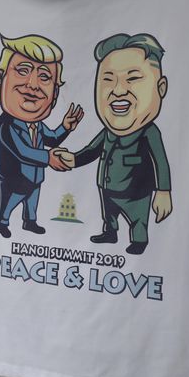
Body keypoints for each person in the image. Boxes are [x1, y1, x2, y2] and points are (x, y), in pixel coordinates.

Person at [55, 33, 172, 255]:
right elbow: (92, 150)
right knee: (109, 214)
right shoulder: (108, 130)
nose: (118, 90)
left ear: (161, 88)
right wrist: (73, 158)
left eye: (133, 78)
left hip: (136, 191)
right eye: (107, 80)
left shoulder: (149, 132)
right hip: (107, 186)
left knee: (138, 219)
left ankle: (140, 240)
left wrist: (163, 191)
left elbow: (161, 161)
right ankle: (110, 231)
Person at [0, 34, 83, 238]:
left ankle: (29, 221)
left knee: (32, 201)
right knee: (9, 201)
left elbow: (51, 138)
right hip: (12, 177)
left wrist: (66, 127)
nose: (32, 84)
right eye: (22, 70)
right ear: (0, 78)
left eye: (45, 77)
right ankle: (2, 222)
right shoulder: (6, 124)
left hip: (35, 176)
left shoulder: (38, 124)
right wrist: (48, 158)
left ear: (55, 94)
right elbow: (22, 151)